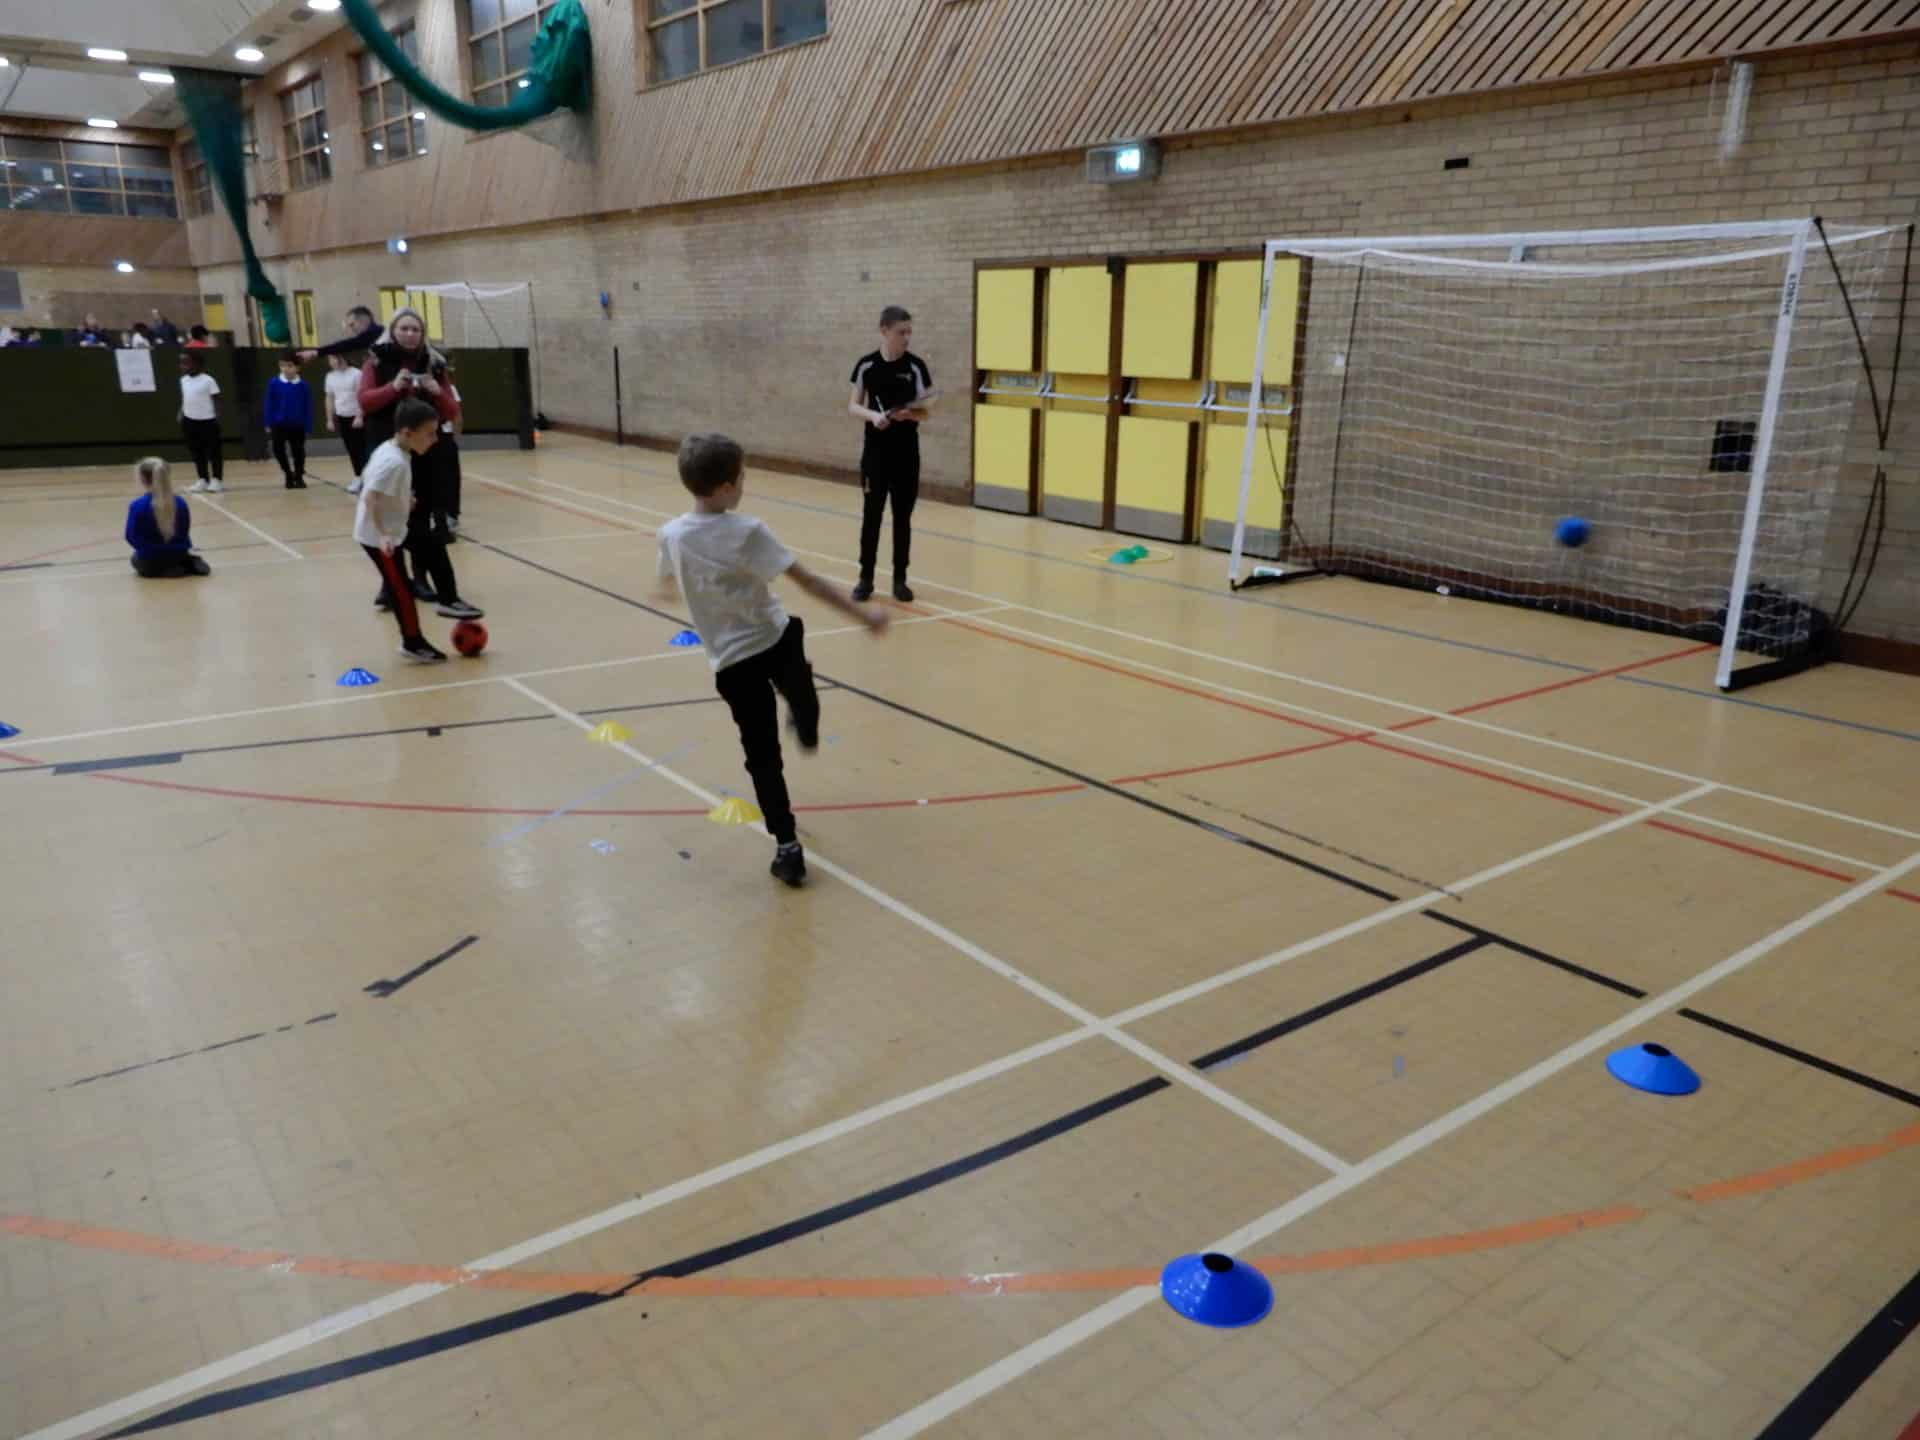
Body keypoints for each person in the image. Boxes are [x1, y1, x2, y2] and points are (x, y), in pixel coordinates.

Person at [654, 433, 889, 887]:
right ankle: (788, 838)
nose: (744, 485)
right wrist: (863, 616)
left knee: (762, 756)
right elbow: (808, 582)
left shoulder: (670, 534)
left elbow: (665, 574)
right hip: (770, 643)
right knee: (782, 730)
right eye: (741, 478)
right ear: (726, 487)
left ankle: (786, 842)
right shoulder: (747, 531)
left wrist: (666, 588)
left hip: (735, 662)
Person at [358, 308, 479, 618]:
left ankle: (421, 581)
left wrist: (438, 392)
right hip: (391, 446)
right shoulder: (376, 361)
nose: (410, 334)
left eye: (416, 329)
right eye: (404, 328)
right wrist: (393, 388)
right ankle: (393, 585)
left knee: (421, 521)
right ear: (393, 330)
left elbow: (452, 410)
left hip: (424, 454)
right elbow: (365, 400)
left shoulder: (434, 364)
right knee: (397, 521)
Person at [847, 305, 937, 602]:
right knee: (871, 516)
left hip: (906, 455)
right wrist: (873, 416)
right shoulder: (866, 365)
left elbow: (927, 410)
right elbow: (853, 405)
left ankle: (900, 579)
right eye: (901, 332)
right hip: (875, 455)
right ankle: (865, 578)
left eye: (909, 332)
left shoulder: (916, 367)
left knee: (902, 518)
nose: (907, 337)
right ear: (884, 331)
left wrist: (911, 414)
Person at [355, 398, 451, 664]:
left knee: (404, 580)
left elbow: (370, 477)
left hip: (392, 530)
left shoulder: (393, 448)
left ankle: (436, 610)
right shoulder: (393, 461)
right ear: (408, 433)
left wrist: (403, 497)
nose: (434, 439)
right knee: (401, 590)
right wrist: (383, 534)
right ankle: (413, 642)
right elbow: (370, 496)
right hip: (378, 538)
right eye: (429, 434)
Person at [124, 457, 210, 578]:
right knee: (176, 556)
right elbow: (184, 532)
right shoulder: (180, 503)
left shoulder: (138, 506)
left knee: (135, 559)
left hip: (150, 559)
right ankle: (184, 563)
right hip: (178, 554)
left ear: (143, 479)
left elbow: (130, 536)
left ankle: (168, 569)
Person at [176, 350, 224, 493]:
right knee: (197, 452)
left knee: (214, 452)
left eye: (186, 363)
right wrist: (181, 412)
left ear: (197, 364)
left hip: (208, 421)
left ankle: (216, 480)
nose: (183, 366)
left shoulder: (208, 380)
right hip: (189, 421)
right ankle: (202, 479)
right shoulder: (183, 380)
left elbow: (217, 400)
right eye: (181, 363)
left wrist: (217, 417)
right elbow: (186, 398)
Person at [264, 352, 313, 489]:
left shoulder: (303, 385)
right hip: (279, 424)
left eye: (289, 366)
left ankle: (299, 476)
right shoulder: (274, 383)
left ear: (297, 368)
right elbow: (269, 403)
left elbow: (308, 406)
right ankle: (288, 473)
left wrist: (308, 425)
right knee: (278, 450)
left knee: (298, 451)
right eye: (282, 365)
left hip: (297, 424)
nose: (285, 369)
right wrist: (268, 422)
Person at [324, 353, 370, 490]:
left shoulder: (356, 374)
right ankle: (358, 476)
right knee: (351, 449)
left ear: (341, 358)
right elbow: (330, 398)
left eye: (332, 358)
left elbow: (361, 396)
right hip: (342, 417)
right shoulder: (330, 376)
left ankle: (368, 477)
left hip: (357, 417)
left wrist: (359, 416)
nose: (330, 362)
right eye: (329, 359)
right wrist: (329, 419)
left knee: (361, 448)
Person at [300, 304, 383, 364]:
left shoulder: (377, 332)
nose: (352, 329)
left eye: (352, 325)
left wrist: (316, 352)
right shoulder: (372, 337)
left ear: (364, 319)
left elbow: (347, 344)